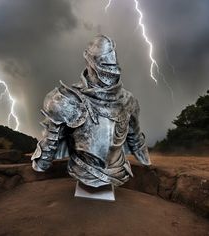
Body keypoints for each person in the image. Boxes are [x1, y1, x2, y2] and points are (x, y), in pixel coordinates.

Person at [31, 35, 151, 187]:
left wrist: (146, 162)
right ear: (89, 61)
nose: (108, 73)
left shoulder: (128, 100)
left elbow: (135, 138)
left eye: (111, 67)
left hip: (119, 171)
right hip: (84, 171)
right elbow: (46, 152)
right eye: (104, 67)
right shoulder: (66, 100)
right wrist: (41, 163)